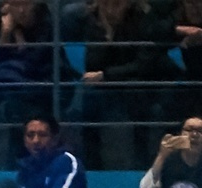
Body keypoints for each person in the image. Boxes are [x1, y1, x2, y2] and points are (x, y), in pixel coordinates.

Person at [64, 0, 162, 168]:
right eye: (106, 4)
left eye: (117, 4)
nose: (110, 10)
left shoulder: (143, 20)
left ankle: (141, 164)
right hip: (103, 84)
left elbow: (142, 64)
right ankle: (91, 166)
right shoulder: (93, 20)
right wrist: (107, 36)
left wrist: (106, 74)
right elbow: (92, 62)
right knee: (85, 100)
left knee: (141, 100)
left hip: (134, 81)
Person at [0, 0, 58, 125]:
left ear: (34, 4)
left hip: (43, 79)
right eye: (16, 5)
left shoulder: (44, 17)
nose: (21, 10)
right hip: (14, 83)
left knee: (15, 97)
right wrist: (6, 33)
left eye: (26, 4)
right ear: (6, 6)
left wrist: (18, 38)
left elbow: (36, 61)